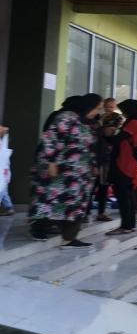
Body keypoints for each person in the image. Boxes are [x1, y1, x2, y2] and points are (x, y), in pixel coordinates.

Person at [29, 94, 102, 247]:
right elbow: (50, 139)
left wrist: (95, 165)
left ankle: (69, 238)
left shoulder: (90, 124)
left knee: (76, 205)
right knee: (49, 199)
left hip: (80, 173)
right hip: (59, 170)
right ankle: (39, 229)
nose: (98, 111)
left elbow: (93, 147)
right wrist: (50, 161)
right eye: (97, 108)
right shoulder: (66, 117)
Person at [106, 99, 137, 236]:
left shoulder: (133, 123)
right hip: (130, 164)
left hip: (124, 164)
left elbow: (118, 139)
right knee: (128, 195)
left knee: (124, 195)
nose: (123, 113)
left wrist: (106, 134)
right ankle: (130, 225)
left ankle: (126, 226)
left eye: (124, 110)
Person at [86, 97, 122, 222]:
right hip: (95, 154)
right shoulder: (97, 117)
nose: (108, 109)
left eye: (111, 107)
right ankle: (86, 211)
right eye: (106, 106)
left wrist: (104, 130)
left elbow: (111, 132)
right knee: (91, 184)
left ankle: (101, 212)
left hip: (107, 155)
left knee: (104, 184)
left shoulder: (118, 118)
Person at [0, 125, 13, 216]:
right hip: (4, 172)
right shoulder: (3, 147)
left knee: (2, 189)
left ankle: (9, 207)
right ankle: (9, 207)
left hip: (3, 172)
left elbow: (5, 129)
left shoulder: (3, 147)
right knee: (4, 190)